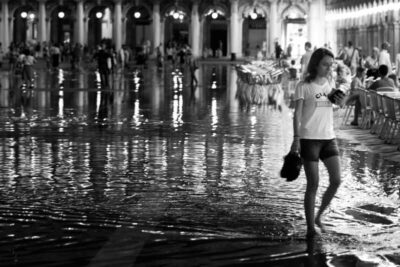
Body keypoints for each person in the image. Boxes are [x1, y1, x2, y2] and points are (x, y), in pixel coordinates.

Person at [290, 48, 345, 238]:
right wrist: (296, 139)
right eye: (325, 64)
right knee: (313, 183)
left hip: (329, 137)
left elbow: (334, 106)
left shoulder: (330, 82)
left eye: (331, 65)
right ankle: (310, 228)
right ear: (315, 64)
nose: (329, 68)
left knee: (336, 180)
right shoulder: (303, 85)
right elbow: (296, 114)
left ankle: (319, 216)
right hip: (309, 138)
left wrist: (341, 101)